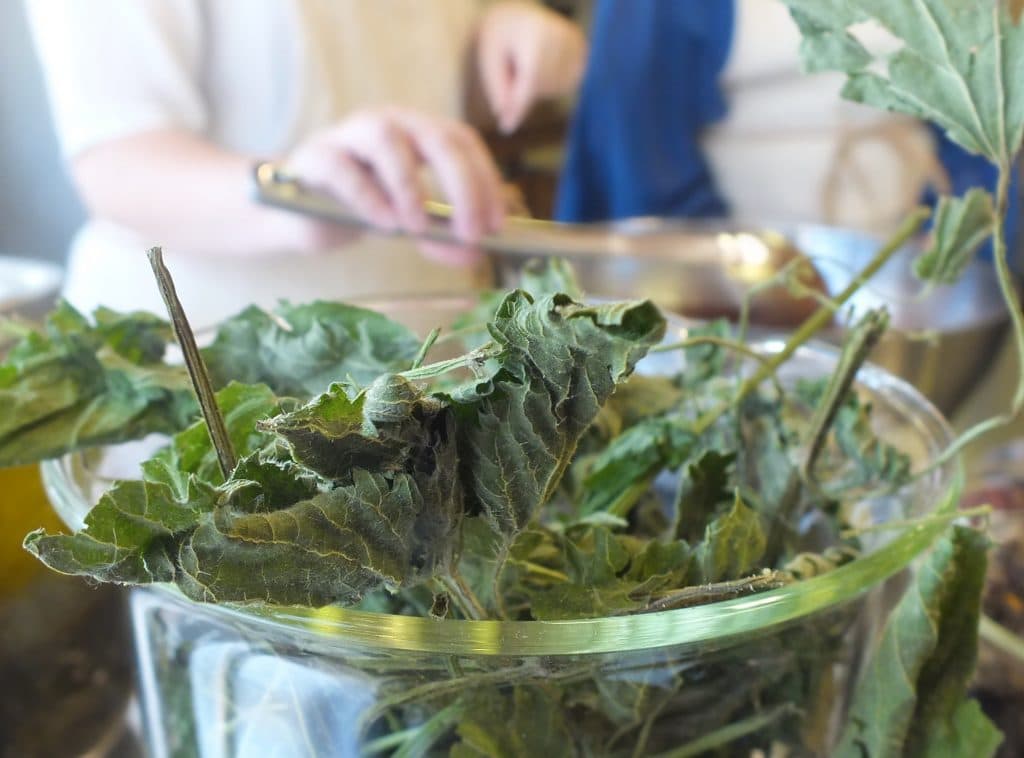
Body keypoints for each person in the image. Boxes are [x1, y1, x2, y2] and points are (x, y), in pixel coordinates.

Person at [25, 0, 586, 328]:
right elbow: (119, 165)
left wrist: (512, 28)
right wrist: (295, 197)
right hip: (215, 380)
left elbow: (427, 81)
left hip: (427, 353)